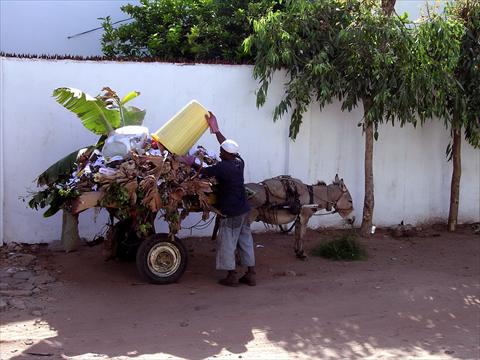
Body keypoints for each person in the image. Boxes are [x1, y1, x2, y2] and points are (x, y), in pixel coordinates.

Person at [196, 112, 256, 287]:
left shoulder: (223, 167)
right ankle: (251, 274)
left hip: (231, 211)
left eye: (222, 152)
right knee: (245, 240)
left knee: (228, 241)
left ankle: (232, 276)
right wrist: (216, 130)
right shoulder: (239, 161)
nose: (220, 153)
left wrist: (189, 160)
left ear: (227, 155)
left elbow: (205, 172)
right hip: (244, 208)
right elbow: (226, 144)